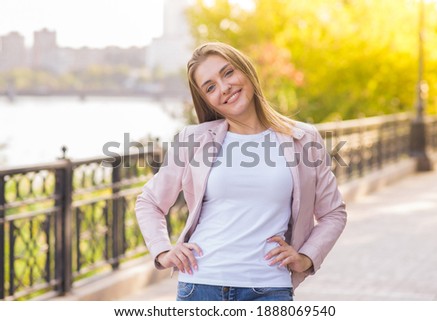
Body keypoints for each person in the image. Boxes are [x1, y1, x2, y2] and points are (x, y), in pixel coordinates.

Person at [135, 42, 347, 301]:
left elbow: (333, 212)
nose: (224, 88)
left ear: (246, 71)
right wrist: (162, 251)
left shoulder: (302, 138)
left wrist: (306, 257)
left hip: (269, 288)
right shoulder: (194, 139)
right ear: (206, 100)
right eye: (210, 87)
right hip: (200, 286)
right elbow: (149, 201)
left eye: (228, 73)